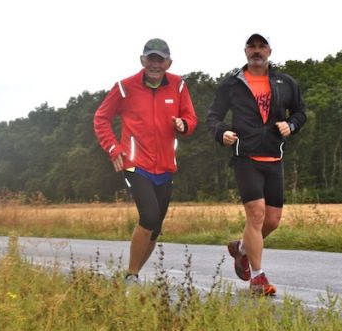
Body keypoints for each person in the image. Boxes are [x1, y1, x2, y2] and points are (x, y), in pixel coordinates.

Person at [206, 33, 306, 295]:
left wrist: (291, 125)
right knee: (257, 214)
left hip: (274, 156)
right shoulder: (232, 84)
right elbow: (213, 116)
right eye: (252, 46)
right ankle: (258, 279)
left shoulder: (286, 82)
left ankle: (241, 249)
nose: (257, 51)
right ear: (245, 51)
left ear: (270, 51)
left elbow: (300, 112)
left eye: (262, 46)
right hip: (245, 157)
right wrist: (222, 132)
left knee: (272, 220)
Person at [94, 38, 197, 284]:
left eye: (159, 60)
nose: (154, 64)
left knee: (157, 226)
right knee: (149, 216)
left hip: (165, 167)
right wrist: (113, 148)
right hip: (133, 163)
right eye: (150, 58)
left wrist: (184, 125)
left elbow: (191, 118)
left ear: (168, 63)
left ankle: (133, 274)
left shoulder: (179, 86)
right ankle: (131, 277)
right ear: (142, 60)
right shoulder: (124, 87)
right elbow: (101, 118)